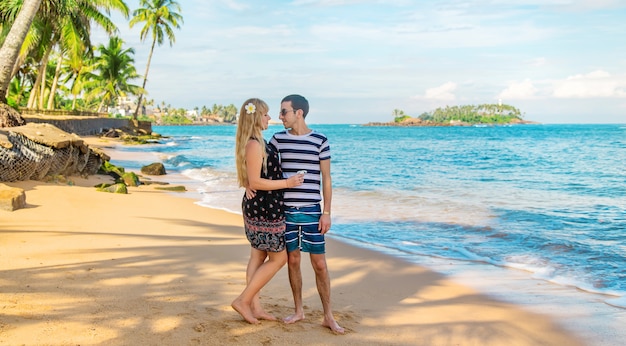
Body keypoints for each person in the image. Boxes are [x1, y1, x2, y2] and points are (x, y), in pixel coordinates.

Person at [269, 94, 345, 334]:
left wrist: (327, 212)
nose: (280, 117)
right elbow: (260, 164)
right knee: (293, 260)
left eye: (284, 112)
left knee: (320, 264)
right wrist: (250, 183)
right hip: (286, 211)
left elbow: (327, 178)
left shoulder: (320, 140)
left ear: (298, 112)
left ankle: (328, 316)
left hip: (312, 211)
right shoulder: (277, 140)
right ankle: (299, 310)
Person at [231, 98, 304, 324]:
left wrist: (248, 182)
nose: (269, 118)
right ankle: (244, 300)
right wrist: (288, 183)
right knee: (278, 257)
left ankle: (255, 307)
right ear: (255, 117)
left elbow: (251, 178)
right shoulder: (254, 144)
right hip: (264, 209)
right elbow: (257, 180)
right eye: (265, 115)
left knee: (258, 255)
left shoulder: (257, 141)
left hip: (264, 206)